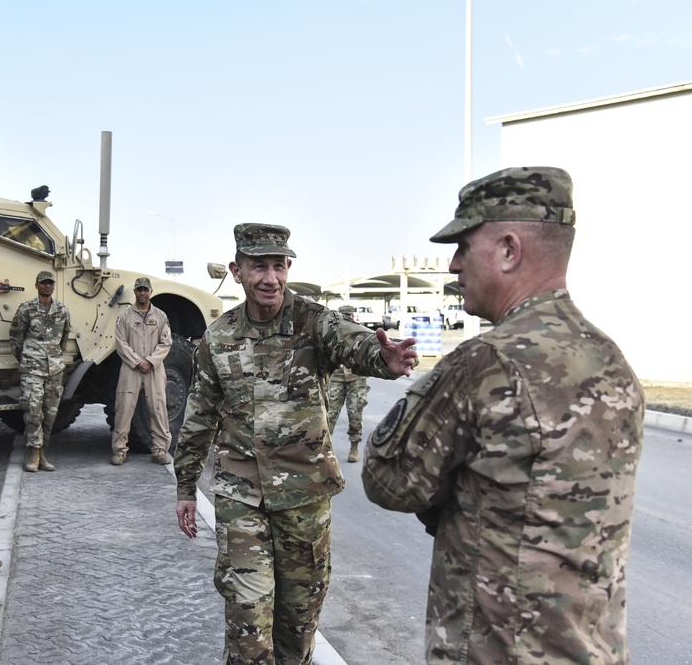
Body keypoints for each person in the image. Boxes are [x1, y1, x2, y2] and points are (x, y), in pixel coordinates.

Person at [361, 167, 645, 664]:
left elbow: (388, 479)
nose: (452, 265)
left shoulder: (487, 362)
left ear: (509, 250)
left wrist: (451, 489)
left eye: (464, 247)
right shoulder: (612, 360)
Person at [174, 223, 418, 664]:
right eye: (258, 267)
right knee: (248, 617)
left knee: (298, 624)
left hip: (304, 498)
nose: (271, 278)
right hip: (240, 496)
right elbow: (199, 416)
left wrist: (383, 357)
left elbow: (353, 341)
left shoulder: (313, 322)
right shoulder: (219, 337)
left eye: (279, 266)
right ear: (237, 270)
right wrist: (186, 487)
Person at [9, 270, 72, 473]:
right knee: (32, 412)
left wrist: (54, 358)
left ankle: (43, 453)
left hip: (54, 370)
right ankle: (33, 453)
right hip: (32, 369)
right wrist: (27, 358)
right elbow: (16, 337)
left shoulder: (62, 310)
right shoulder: (26, 309)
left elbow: (64, 337)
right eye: (44, 283)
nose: (47, 286)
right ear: (36, 285)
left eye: (50, 283)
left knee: (50, 414)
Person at [110, 276, 174, 466]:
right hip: (131, 368)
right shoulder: (125, 317)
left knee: (159, 408)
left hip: (154, 369)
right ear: (135, 292)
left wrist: (150, 361)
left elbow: (166, 342)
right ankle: (120, 451)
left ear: (150, 292)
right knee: (123, 409)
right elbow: (120, 343)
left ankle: (160, 450)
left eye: (145, 290)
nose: (142, 293)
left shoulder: (161, 316)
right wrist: (138, 361)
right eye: (139, 290)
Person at [326, 305, 370, 463]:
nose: (347, 318)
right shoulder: (332, 334)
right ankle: (325, 449)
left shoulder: (362, 333)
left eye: (349, 315)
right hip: (336, 379)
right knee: (329, 415)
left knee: (355, 414)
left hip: (356, 380)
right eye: (344, 315)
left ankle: (354, 446)